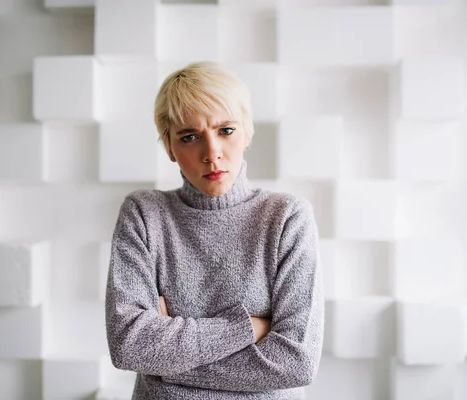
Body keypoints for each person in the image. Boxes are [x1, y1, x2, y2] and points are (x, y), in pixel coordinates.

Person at [105, 61, 324, 400]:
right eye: (189, 137)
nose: (211, 153)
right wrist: (247, 327)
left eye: (226, 130)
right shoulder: (145, 214)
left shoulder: (286, 217)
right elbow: (129, 345)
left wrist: (167, 365)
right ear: (169, 147)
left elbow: (295, 362)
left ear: (247, 131)